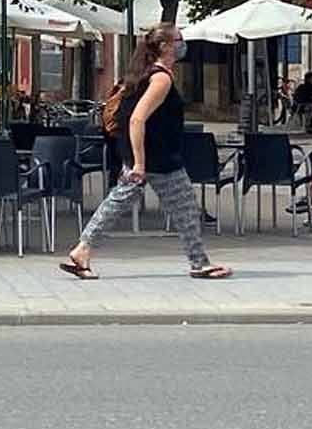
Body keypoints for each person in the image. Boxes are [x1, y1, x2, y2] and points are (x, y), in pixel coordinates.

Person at [61, 26, 230, 281]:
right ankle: (199, 263)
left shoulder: (143, 73)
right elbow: (137, 120)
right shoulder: (161, 78)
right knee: (185, 209)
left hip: (146, 154)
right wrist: (140, 163)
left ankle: (82, 250)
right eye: (179, 40)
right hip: (157, 157)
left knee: (118, 202)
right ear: (165, 46)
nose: (184, 44)